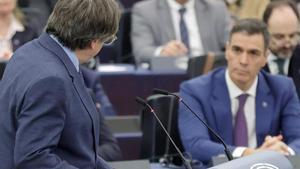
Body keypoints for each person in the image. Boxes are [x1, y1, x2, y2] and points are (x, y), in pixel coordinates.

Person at [0, 0, 120, 169]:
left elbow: (73, 149)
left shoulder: (28, 51)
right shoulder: (52, 80)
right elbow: (33, 158)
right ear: (94, 42)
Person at [178, 19, 300, 165]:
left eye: (253, 53)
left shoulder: (283, 88)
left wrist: (282, 152)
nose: (243, 60)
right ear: (227, 51)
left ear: (265, 58)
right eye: (237, 50)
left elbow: (298, 138)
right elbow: (196, 145)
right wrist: (251, 154)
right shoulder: (194, 90)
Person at [131, 0, 231, 65]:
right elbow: (141, 52)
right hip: (170, 77)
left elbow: (231, 45)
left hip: (208, 75)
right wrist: (162, 51)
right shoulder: (145, 10)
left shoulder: (217, 8)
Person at [262, 0, 300, 98]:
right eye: (279, 37)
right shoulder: (251, 59)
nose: (287, 44)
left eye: (292, 36)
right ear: (265, 32)